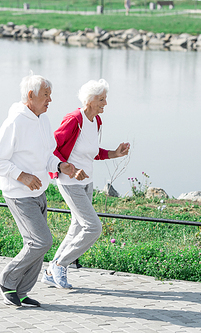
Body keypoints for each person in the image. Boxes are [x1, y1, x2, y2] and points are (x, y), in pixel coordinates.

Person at [0, 73, 76, 307]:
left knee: (36, 244)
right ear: (31, 95)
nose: (50, 100)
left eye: (50, 95)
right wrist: (22, 176)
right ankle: (6, 280)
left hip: (39, 192)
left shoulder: (43, 120)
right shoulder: (15, 122)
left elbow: (47, 155)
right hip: (19, 194)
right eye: (46, 95)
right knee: (41, 241)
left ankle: (22, 291)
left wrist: (59, 165)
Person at [41, 79, 130, 289]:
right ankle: (60, 264)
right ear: (89, 101)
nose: (105, 103)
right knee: (93, 227)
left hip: (87, 182)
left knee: (77, 226)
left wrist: (114, 154)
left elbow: (91, 152)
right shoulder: (74, 119)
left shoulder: (96, 121)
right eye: (101, 99)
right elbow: (52, 148)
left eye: (105, 99)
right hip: (69, 182)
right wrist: (68, 167)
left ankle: (49, 272)